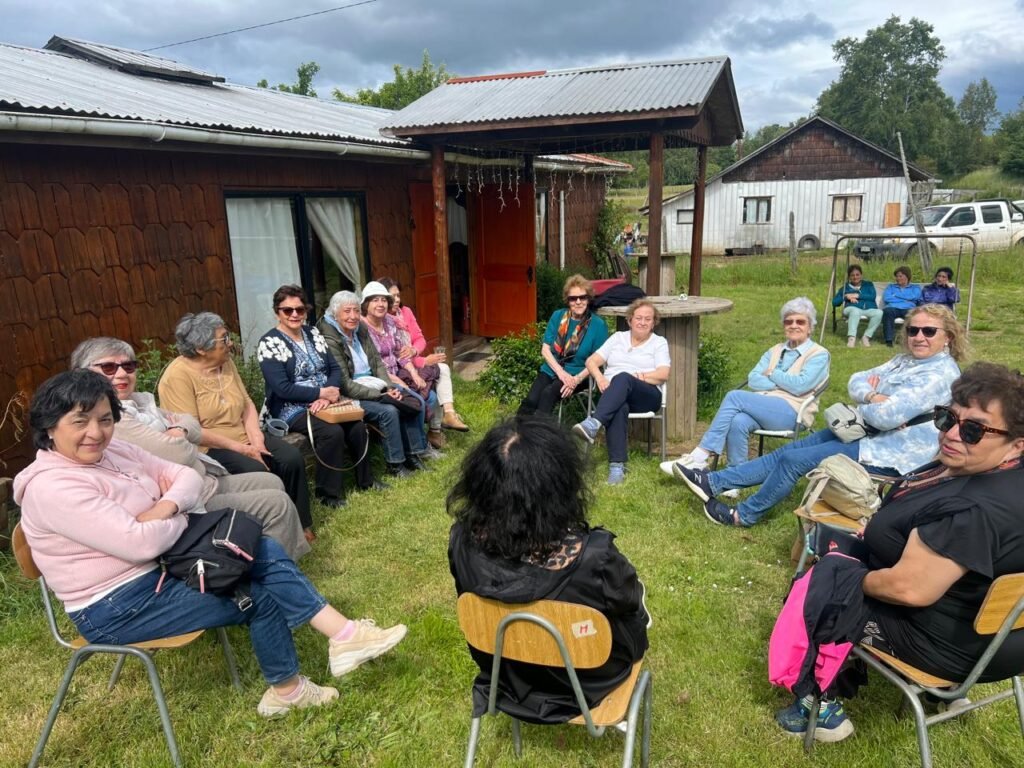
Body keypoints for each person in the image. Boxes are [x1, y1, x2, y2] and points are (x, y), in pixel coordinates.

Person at [14, 370, 407, 718]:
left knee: (258, 546)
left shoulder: (112, 450)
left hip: (161, 567)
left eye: (104, 419)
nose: (96, 432)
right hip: (115, 606)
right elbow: (138, 545)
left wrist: (164, 507)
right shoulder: (54, 488)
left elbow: (185, 476)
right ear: (49, 427)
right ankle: (297, 684)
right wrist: (179, 516)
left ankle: (342, 639)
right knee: (257, 595)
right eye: (79, 421)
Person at [773, 362, 1024, 741]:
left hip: (947, 647)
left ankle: (819, 708)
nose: (951, 434)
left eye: (974, 429)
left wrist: (851, 579)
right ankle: (943, 694)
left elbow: (908, 590)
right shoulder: (1002, 475)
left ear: (1017, 443)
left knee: (823, 582)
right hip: (1002, 639)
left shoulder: (970, 511)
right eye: (947, 418)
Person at [675, 305, 966, 527]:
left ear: (948, 338)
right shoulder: (904, 361)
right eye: (913, 330)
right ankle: (714, 482)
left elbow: (886, 417)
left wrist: (874, 404)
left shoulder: (939, 374)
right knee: (791, 450)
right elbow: (856, 379)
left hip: (891, 450)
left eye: (929, 331)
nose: (919, 337)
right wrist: (872, 396)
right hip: (865, 430)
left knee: (792, 461)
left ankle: (744, 515)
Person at [447, 416, 650, 723]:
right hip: (586, 686)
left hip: (507, 676)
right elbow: (630, 604)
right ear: (560, 484)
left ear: (480, 484)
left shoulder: (461, 541)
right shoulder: (595, 557)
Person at [70, 337, 309, 560]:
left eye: (128, 366)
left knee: (272, 481)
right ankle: (273, 572)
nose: (122, 373)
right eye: (109, 367)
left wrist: (180, 431)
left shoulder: (141, 402)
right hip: (185, 498)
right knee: (277, 502)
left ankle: (253, 554)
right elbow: (179, 452)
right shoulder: (112, 417)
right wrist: (183, 436)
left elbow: (190, 422)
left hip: (203, 477)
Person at [158, 313, 315, 535]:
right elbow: (193, 431)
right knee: (257, 470)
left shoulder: (225, 362)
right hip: (209, 447)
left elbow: (247, 404)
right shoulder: (176, 377)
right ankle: (263, 529)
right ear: (202, 349)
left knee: (290, 458)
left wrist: (257, 441)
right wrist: (244, 449)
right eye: (224, 339)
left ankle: (300, 523)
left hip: (243, 435)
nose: (230, 343)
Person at [663, 297, 829, 475]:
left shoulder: (819, 354)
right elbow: (753, 379)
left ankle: (700, 456)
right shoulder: (775, 350)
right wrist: (782, 384)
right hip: (765, 406)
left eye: (800, 322)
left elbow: (800, 386)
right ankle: (736, 476)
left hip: (794, 412)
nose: (794, 325)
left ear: (810, 327)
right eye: (789, 321)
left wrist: (772, 373)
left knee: (735, 396)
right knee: (738, 421)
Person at [257, 285, 379, 507]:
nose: (295, 314)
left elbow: (334, 369)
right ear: (277, 312)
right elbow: (282, 388)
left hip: (326, 400)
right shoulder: (269, 343)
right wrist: (319, 393)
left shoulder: (313, 333)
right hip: (290, 407)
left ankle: (366, 481)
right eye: (288, 310)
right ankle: (328, 494)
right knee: (331, 432)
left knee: (357, 426)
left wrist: (327, 395)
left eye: (300, 309)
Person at [317, 290, 429, 476]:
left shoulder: (359, 329)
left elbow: (377, 363)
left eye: (356, 310)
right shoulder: (330, 339)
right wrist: (382, 394)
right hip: (351, 394)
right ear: (335, 314)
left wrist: (390, 387)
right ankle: (395, 465)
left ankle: (413, 453)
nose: (353, 316)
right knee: (389, 411)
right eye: (347, 311)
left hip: (376, 384)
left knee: (411, 399)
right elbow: (345, 384)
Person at [572, 299, 671, 485]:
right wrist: (600, 378)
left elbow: (663, 373)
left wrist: (640, 377)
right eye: (638, 318)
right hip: (613, 394)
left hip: (646, 395)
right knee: (618, 406)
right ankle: (617, 467)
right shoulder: (618, 338)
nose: (642, 322)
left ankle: (594, 423)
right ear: (630, 320)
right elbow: (591, 362)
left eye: (648, 319)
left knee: (623, 377)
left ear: (653, 323)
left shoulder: (658, 342)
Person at [360, 281, 443, 458]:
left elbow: (400, 352)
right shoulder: (362, 328)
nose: (381, 304)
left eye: (384, 300)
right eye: (375, 300)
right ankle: (419, 449)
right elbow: (373, 364)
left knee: (430, 395)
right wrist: (397, 381)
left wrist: (413, 373)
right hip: (378, 379)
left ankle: (417, 440)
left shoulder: (390, 322)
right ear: (366, 304)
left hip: (398, 371)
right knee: (414, 399)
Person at [379, 277, 469, 433]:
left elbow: (420, 339)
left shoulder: (405, 312)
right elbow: (397, 357)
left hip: (412, 361)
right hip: (400, 369)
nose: (396, 300)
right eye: (392, 296)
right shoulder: (383, 320)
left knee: (442, 369)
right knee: (438, 374)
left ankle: (448, 415)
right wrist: (423, 361)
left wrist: (414, 351)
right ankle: (436, 429)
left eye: (398, 295)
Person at [517, 274, 609, 416]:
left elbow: (598, 360)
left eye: (582, 297)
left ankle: (540, 430)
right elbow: (545, 350)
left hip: (579, 374)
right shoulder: (558, 316)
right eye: (573, 298)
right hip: (552, 369)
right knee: (530, 401)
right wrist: (560, 372)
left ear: (588, 299)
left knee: (548, 395)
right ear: (568, 300)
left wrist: (575, 380)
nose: (578, 302)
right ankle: (518, 429)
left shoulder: (598, 325)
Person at [831, 264, 883, 348]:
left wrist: (857, 295)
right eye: (852, 275)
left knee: (879, 313)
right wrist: (846, 296)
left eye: (857, 274)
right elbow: (834, 303)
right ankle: (851, 338)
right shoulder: (845, 288)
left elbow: (872, 296)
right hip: (851, 308)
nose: (855, 277)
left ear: (861, 275)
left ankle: (866, 337)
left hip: (868, 309)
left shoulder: (868, 284)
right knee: (855, 311)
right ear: (849, 277)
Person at [881, 266, 923, 346]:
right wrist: (906, 299)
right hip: (893, 307)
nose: (898, 278)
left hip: (908, 308)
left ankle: (910, 339)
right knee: (887, 312)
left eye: (900, 276)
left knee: (913, 315)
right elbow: (887, 298)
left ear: (907, 276)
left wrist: (895, 295)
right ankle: (889, 340)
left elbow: (915, 297)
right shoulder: (891, 287)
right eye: (897, 276)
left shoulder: (915, 287)